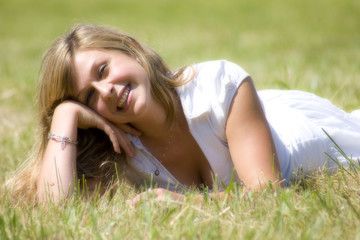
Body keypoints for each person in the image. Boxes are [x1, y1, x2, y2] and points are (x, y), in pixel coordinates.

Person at [6, 23, 360, 204]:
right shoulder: (120, 149)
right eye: (89, 96)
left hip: (299, 129)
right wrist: (66, 115)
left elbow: (269, 193)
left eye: (103, 71)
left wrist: (186, 203)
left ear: (128, 49)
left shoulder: (219, 86)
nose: (107, 90)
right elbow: (57, 211)